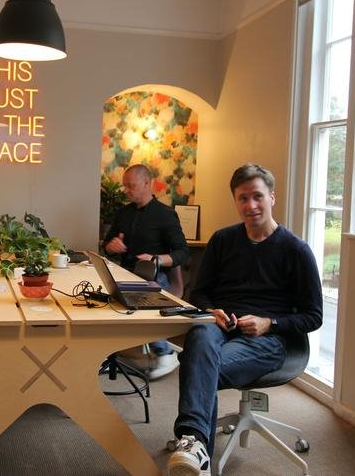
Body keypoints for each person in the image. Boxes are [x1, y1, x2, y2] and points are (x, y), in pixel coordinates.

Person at [166, 164, 323, 476]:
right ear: (235, 201)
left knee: (198, 365)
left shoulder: (296, 250)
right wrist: (211, 310)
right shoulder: (223, 240)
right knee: (200, 334)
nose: (250, 206)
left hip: (268, 340)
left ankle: (193, 444)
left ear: (272, 197)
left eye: (257, 197)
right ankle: (197, 450)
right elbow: (200, 292)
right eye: (243, 198)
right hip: (221, 328)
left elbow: (313, 316)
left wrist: (270, 324)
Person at [103, 164, 190, 379]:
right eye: (125, 186)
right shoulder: (123, 213)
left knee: (142, 292)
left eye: (131, 186)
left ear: (147, 183)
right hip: (126, 273)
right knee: (99, 295)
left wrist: (156, 259)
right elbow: (106, 244)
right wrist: (111, 245)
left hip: (155, 276)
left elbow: (183, 253)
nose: (127, 191)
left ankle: (166, 352)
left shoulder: (166, 215)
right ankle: (107, 353)